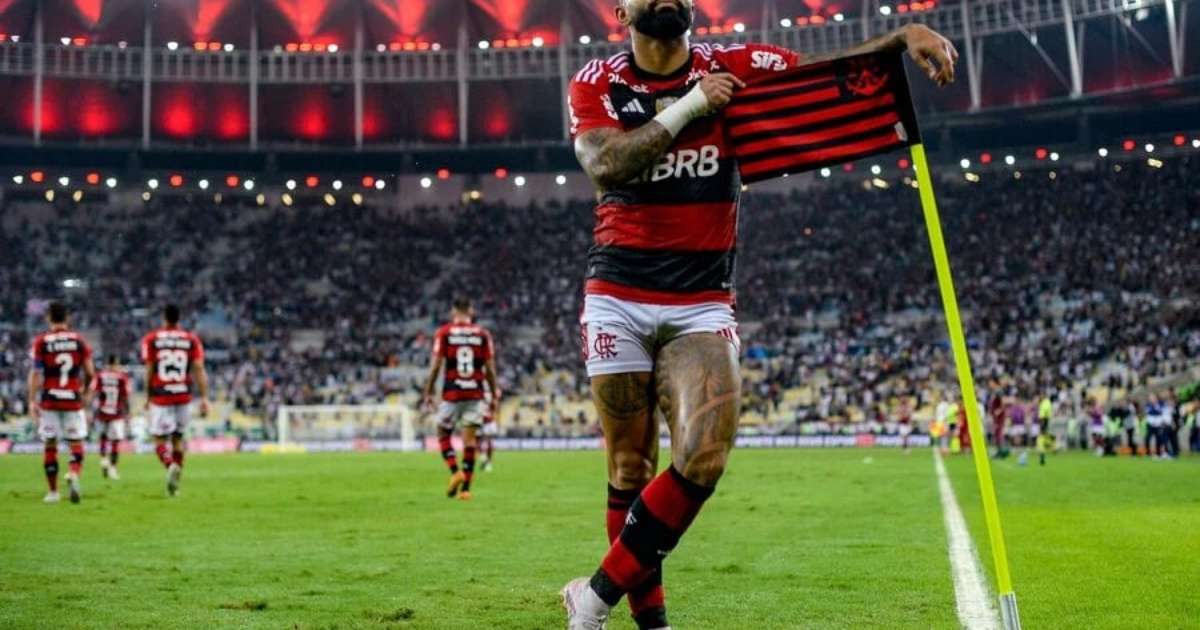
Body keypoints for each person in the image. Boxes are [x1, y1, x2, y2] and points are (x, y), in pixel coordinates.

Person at [559, 1, 958, 627]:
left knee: (703, 457)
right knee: (630, 465)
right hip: (618, 294)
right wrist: (693, 105)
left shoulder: (738, 66)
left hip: (701, 301)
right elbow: (606, 163)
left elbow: (825, 75)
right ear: (620, 10)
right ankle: (648, 623)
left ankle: (593, 596)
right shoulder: (598, 80)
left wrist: (899, 38)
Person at [421, 298, 499, 500]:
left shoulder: (445, 332)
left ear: (453, 311)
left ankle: (455, 471)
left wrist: (428, 391)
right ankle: (465, 490)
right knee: (470, 441)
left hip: (452, 392)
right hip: (475, 393)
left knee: (443, 433)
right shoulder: (483, 334)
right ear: (471, 310)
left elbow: (436, 366)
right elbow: (489, 370)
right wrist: (494, 393)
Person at [28, 302, 96, 504]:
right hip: (72, 399)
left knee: (50, 444)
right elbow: (91, 373)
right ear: (67, 318)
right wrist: (84, 392)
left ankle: (53, 492)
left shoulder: (41, 342)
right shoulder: (79, 341)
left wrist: (32, 400)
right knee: (76, 443)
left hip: (50, 400)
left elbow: (36, 374)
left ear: (48, 318)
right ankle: (73, 472)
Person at [140, 304, 209, 497]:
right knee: (178, 439)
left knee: (159, 439)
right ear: (179, 318)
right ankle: (176, 484)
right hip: (183, 394)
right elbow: (198, 368)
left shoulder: (152, 339)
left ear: (164, 317)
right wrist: (204, 397)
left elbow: (149, 369)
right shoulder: (191, 339)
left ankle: (170, 465)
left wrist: (147, 396)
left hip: (161, 395)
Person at [91, 355, 132, 480]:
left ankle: (103, 459)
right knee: (115, 441)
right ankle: (113, 468)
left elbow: (93, 392)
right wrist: (128, 412)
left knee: (103, 437)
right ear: (115, 364)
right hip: (116, 412)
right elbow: (126, 396)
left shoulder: (99, 376)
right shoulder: (122, 378)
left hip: (102, 411)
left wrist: (91, 411)